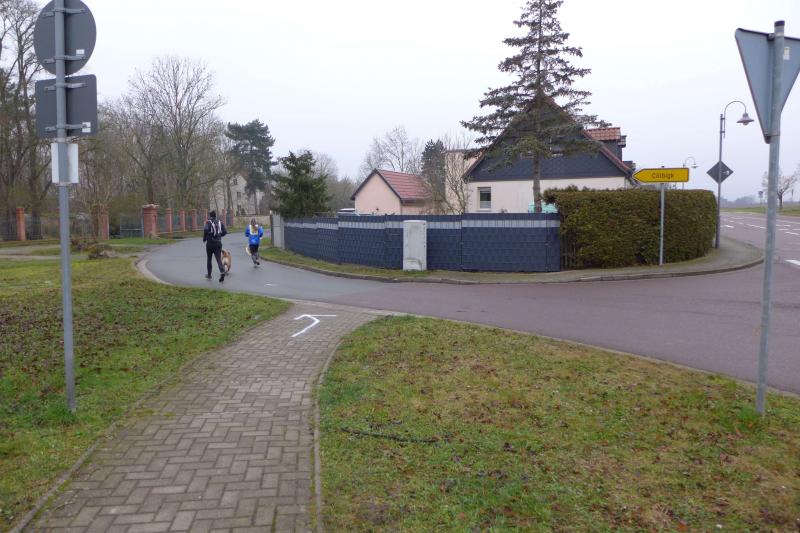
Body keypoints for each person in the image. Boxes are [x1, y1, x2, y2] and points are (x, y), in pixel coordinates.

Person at [203, 210, 227, 282]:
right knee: (218, 259)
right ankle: (222, 271)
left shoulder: (208, 222)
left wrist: (204, 239)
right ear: (215, 215)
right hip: (218, 243)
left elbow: (205, 230)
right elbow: (225, 232)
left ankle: (209, 274)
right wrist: (219, 235)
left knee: (209, 259)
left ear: (210, 216)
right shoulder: (220, 222)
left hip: (210, 244)